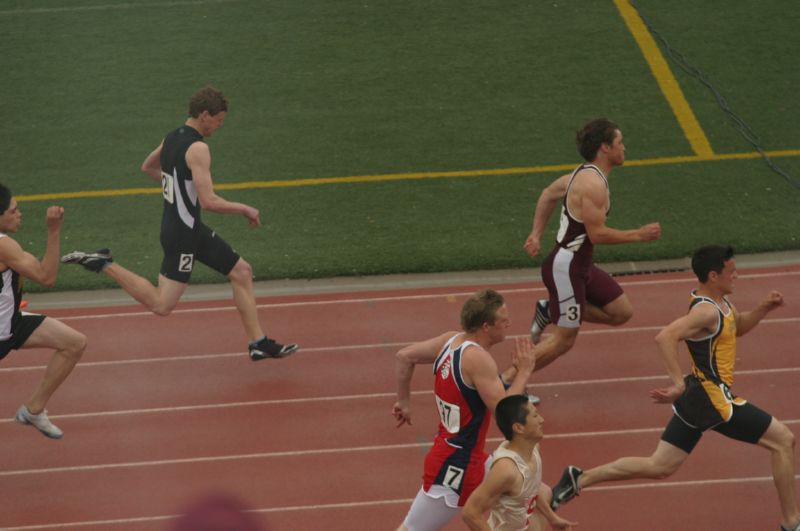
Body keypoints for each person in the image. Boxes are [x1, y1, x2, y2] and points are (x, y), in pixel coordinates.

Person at [549, 245, 800, 531]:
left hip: (700, 398)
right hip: (714, 399)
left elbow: (737, 327)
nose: (737, 276)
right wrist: (677, 382)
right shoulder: (706, 311)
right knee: (783, 440)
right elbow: (665, 337)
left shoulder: (720, 303)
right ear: (713, 275)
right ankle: (791, 523)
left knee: (660, 466)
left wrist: (764, 308)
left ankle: (578, 479)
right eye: (731, 272)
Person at [61, 86, 297, 361]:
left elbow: (148, 167)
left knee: (242, 271)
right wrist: (244, 208)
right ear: (205, 114)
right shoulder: (198, 148)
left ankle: (258, 342)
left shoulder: (172, 136)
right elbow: (208, 201)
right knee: (162, 305)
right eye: (218, 120)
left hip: (188, 228)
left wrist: (177, 185)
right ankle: (103, 263)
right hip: (182, 236)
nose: (219, 127)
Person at [393, 289, 537, 531]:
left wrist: (403, 402)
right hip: (457, 465)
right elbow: (506, 413)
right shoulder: (477, 359)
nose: (509, 323)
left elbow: (404, 356)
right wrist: (523, 372)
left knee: (533, 487)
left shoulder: (450, 341)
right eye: (503, 320)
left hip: (468, 455)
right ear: (486, 326)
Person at [522, 118, 660, 370]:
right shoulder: (593, 185)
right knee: (563, 341)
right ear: (605, 148)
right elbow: (598, 235)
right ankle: (507, 382)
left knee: (621, 312)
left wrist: (536, 234)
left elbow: (548, 194)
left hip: (581, 265)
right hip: (567, 267)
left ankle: (550, 308)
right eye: (620, 142)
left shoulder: (581, 174)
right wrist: (638, 235)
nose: (624, 147)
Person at [0, 184, 87, 438]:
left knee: (74, 343)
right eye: (13, 210)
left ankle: (34, 409)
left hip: (12, 322)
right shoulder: (5, 246)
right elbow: (47, 277)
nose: (20, 214)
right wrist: (54, 230)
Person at [462, 394, 577, 531]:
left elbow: (532, 488)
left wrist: (552, 518)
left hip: (525, 525)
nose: (542, 420)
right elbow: (470, 512)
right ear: (519, 428)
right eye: (535, 416)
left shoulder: (533, 448)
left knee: (545, 492)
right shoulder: (506, 470)